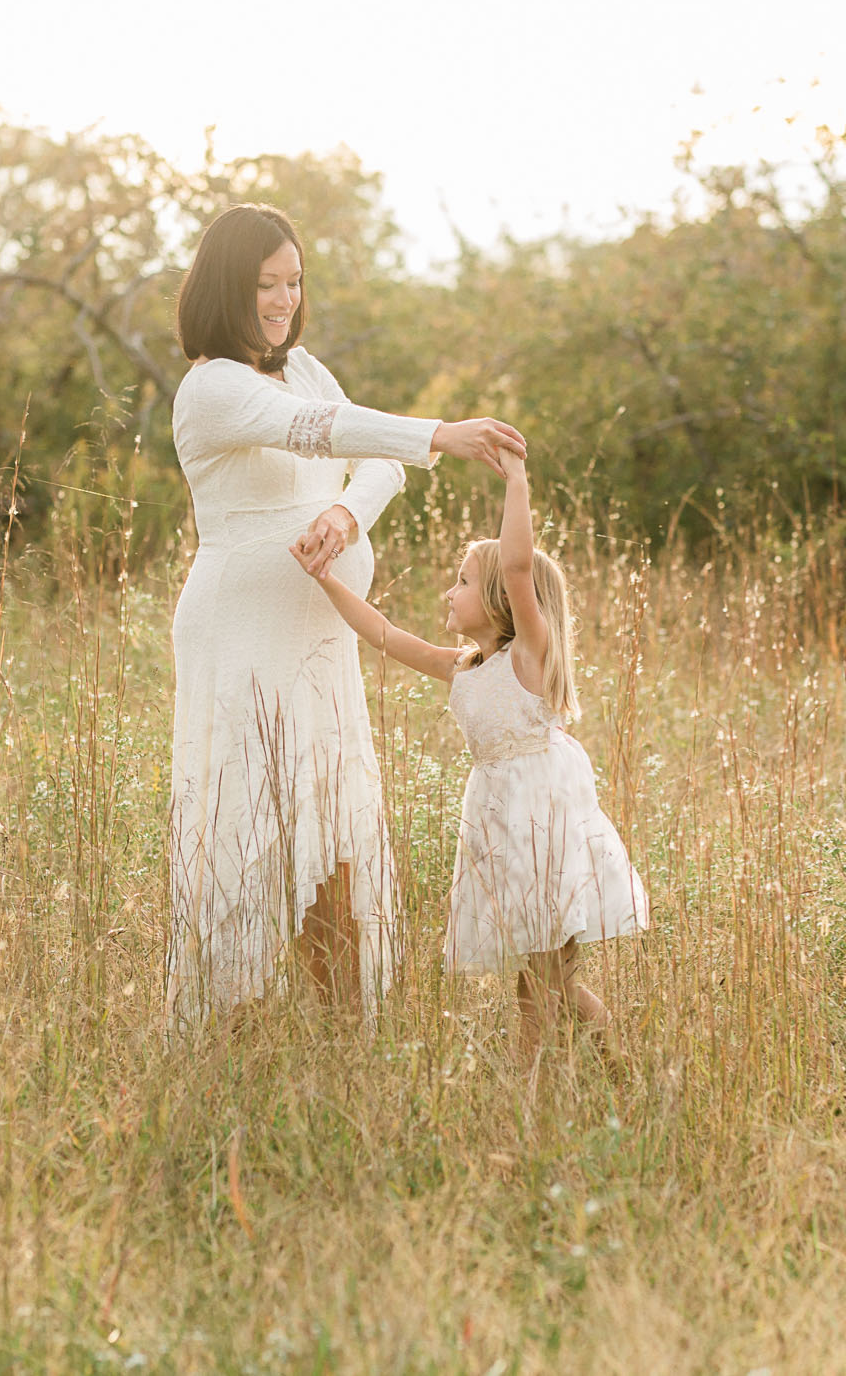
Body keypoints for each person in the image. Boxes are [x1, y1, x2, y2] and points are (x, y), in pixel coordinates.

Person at [168, 202, 526, 1026]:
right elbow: (320, 432)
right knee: (250, 824)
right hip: (243, 629)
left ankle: (340, 1032)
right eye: (265, 284)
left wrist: (344, 517)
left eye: (293, 282)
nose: (282, 301)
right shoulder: (214, 387)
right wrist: (441, 431)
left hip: (319, 636)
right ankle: (234, 1024)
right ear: (228, 286)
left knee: (327, 824)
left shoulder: (302, 365)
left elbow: (375, 465)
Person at [294, 446, 649, 1062]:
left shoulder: (529, 658)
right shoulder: (463, 668)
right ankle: (622, 1067)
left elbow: (517, 566)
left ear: (499, 599)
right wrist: (326, 579)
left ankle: (530, 1080)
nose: (448, 591)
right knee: (550, 980)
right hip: (499, 824)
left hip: (546, 826)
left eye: (461, 582)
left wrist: (517, 480)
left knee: (541, 983)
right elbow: (382, 633)